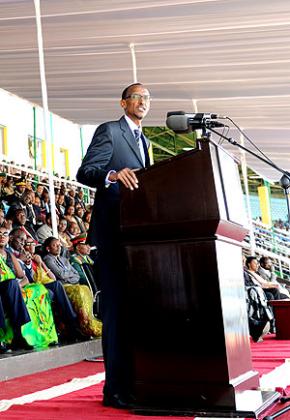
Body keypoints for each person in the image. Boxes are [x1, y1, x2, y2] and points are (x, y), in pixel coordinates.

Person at [77, 82, 151, 408]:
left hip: (138, 240)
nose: (143, 101)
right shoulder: (109, 131)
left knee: (135, 314)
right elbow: (85, 171)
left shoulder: (146, 142)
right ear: (123, 103)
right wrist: (111, 175)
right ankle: (115, 390)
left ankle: (136, 382)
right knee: (116, 314)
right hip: (112, 237)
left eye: (147, 97)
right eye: (137, 96)